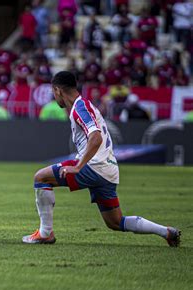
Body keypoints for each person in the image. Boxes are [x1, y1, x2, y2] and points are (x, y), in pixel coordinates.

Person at [22, 71, 181, 247]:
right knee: (115, 222)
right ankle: (167, 232)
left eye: (53, 92)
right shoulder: (84, 105)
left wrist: (78, 166)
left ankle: (45, 233)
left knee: (41, 177)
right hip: (108, 170)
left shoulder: (79, 108)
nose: (54, 97)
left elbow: (95, 137)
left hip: (93, 166)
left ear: (57, 90)